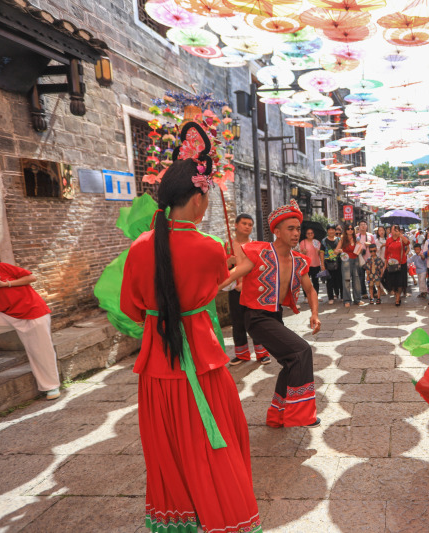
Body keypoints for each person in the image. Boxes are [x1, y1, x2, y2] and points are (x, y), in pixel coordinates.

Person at [119, 140, 261, 532]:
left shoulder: (139, 247)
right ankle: (224, 516)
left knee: (168, 451)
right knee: (216, 443)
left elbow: (132, 310)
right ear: (198, 200)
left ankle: (181, 518)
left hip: (157, 367)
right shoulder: (210, 247)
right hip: (202, 363)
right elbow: (215, 285)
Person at [222, 199, 321, 428]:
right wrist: (209, 286)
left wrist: (314, 314)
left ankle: (277, 416)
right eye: (290, 228)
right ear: (276, 231)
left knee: (291, 361)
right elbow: (236, 272)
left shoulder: (298, 261)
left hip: (274, 316)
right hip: (256, 317)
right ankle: (301, 414)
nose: (296, 233)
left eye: (298, 228)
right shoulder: (260, 252)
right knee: (301, 350)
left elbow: (310, 289)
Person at [0, 260, 60, 399]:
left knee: (40, 350)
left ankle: (51, 387)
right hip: (9, 316)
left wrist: (5, 284)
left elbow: (31, 277)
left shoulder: (0, 267)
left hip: (33, 313)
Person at [228, 214, 270, 365]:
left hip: (253, 290)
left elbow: (262, 269)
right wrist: (229, 261)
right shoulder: (228, 245)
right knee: (237, 322)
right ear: (236, 225)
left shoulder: (256, 246)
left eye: (250, 224)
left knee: (255, 321)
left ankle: (261, 353)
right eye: (244, 223)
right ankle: (242, 354)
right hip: (235, 291)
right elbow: (221, 269)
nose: (247, 226)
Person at [336, 224, 363, 308]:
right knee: (346, 280)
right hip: (346, 260)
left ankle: (357, 299)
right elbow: (335, 251)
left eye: (351, 228)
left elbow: (360, 251)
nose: (350, 230)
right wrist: (339, 250)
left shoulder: (356, 238)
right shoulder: (343, 239)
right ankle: (347, 300)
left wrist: (360, 247)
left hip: (355, 260)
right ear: (345, 230)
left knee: (357, 280)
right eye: (348, 229)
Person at [383, 225, 410, 306]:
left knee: (400, 282)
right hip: (391, 263)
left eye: (396, 229)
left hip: (401, 263)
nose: (395, 231)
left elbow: (407, 243)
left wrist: (400, 235)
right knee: (392, 281)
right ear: (390, 231)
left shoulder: (401, 239)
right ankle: (395, 294)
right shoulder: (388, 240)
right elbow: (386, 252)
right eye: (393, 229)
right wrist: (385, 263)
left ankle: (397, 298)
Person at [299, 227, 325, 297]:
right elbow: (299, 254)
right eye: (308, 233)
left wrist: (319, 252)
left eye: (311, 233)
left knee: (315, 281)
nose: (310, 234)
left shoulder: (317, 242)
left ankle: (315, 295)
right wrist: (302, 252)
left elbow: (321, 253)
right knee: (306, 282)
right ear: (306, 234)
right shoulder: (302, 242)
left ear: (313, 234)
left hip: (316, 264)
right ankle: (306, 296)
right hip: (306, 265)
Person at [321, 225, 342, 304]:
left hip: (339, 262)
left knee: (340, 279)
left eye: (333, 229)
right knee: (329, 281)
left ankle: (342, 296)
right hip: (328, 263)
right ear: (327, 231)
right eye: (329, 229)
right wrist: (322, 264)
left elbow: (343, 250)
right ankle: (331, 297)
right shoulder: (323, 241)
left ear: (335, 231)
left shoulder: (339, 240)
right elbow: (321, 253)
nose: (331, 231)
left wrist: (340, 251)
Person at [356, 221, 375, 296]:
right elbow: (354, 247)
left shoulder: (370, 236)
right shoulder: (356, 236)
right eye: (361, 225)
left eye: (364, 224)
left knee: (371, 276)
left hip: (369, 259)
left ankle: (374, 291)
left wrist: (369, 244)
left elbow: (374, 246)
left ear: (366, 226)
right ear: (359, 226)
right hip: (360, 259)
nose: (363, 226)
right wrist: (359, 249)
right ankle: (363, 293)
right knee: (361, 277)